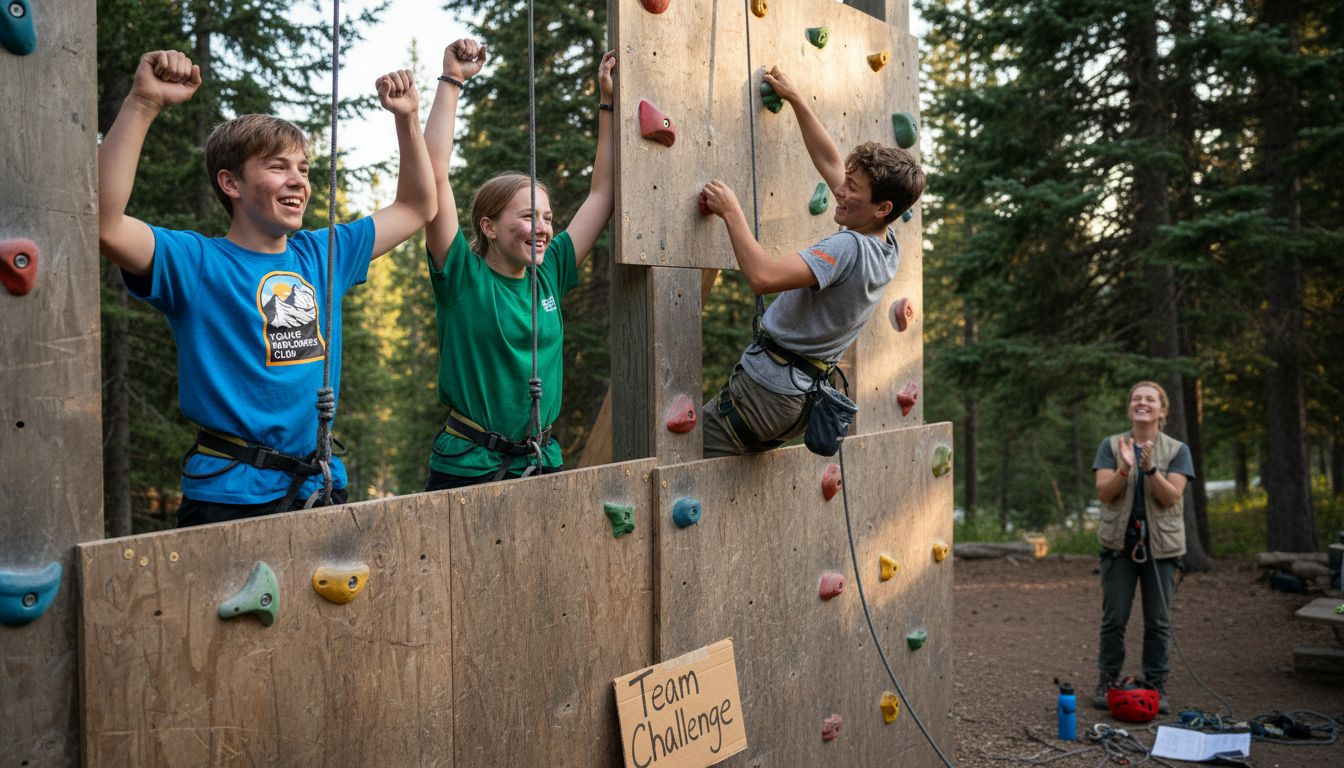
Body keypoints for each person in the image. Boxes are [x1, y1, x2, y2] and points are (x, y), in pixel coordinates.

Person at [98, 50, 437, 526]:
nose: (298, 180)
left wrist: (407, 119)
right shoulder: (196, 262)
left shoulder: (324, 254)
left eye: (303, 169)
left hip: (319, 487)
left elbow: (417, 207)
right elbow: (104, 223)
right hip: (229, 496)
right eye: (279, 167)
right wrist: (142, 103)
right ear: (230, 183)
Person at [698, 66, 926, 457]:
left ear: (881, 207)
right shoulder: (886, 243)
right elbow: (831, 162)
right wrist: (797, 100)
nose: (839, 190)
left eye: (852, 188)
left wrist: (730, 211)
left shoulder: (848, 249)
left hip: (767, 393)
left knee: (682, 456)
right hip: (798, 394)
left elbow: (763, 277)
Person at [420, 39, 616, 489]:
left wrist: (606, 102)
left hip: (542, 462)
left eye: (547, 217)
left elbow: (601, 195)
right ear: (487, 227)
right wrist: (452, 80)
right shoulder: (461, 276)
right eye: (528, 216)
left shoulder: (549, 272)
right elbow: (432, 176)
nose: (544, 228)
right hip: (467, 470)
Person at [1091, 380, 1195, 714]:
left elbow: (1171, 497)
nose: (1142, 403)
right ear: (1130, 407)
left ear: (1162, 410)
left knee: (1159, 622)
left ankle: (1155, 685)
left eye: (1150, 399)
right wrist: (1124, 468)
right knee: (1114, 618)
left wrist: (1150, 469)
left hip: (1161, 550)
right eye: (1136, 398)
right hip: (1119, 547)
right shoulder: (1111, 445)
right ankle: (1107, 680)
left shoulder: (1177, 451)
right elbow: (1104, 492)